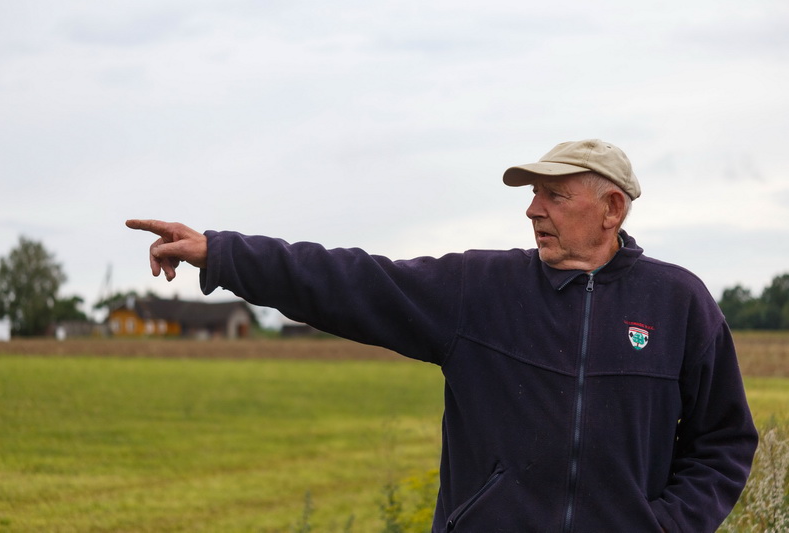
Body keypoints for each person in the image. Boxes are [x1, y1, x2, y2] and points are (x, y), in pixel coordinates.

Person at [127, 139, 757, 532]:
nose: (533, 210)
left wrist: (665, 525)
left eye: (555, 197)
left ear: (612, 209)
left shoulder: (678, 303)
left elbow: (724, 440)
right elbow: (351, 283)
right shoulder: (478, 291)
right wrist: (223, 254)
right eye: (534, 196)